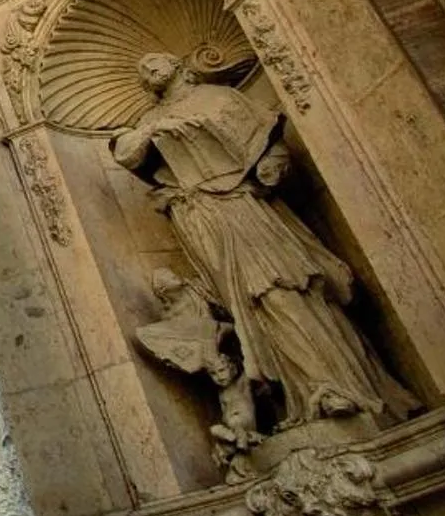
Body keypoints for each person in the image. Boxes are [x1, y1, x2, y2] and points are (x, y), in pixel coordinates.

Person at [112, 51, 414, 432]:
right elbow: (127, 153)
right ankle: (296, 398)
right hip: (200, 216)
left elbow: (268, 144)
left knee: (281, 287)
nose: (147, 68)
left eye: (156, 60)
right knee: (246, 308)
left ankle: (338, 384)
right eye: (142, 69)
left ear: (181, 65)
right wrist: (149, 132)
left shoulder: (219, 98)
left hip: (244, 205)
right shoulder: (148, 120)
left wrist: (272, 165)